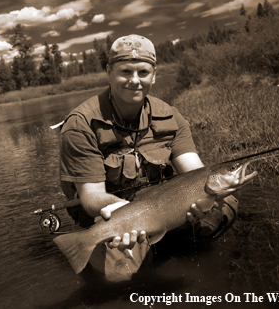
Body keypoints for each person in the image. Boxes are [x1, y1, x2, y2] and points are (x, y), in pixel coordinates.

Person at [58, 34, 238, 282]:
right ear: (109, 72)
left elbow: (196, 172)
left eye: (143, 72)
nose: (134, 80)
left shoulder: (170, 117)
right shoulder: (81, 125)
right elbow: (91, 198)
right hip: (112, 217)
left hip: (161, 208)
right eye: (125, 72)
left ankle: (167, 244)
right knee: (119, 279)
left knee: (226, 204)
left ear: (154, 75)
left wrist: (204, 198)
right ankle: (91, 245)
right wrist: (126, 218)